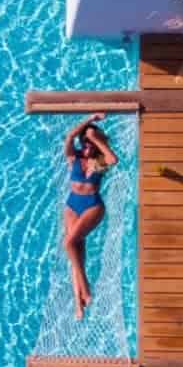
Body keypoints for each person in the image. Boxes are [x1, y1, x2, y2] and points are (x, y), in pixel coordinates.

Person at [62, 112, 117, 318]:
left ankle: (85, 288)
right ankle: (79, 303)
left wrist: (96, 138)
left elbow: (113, 159)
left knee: (68, 243)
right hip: (72, 205)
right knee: (76, 254)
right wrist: (90, 120)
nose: (87, 147)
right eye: (84, 142)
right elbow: (69, 136)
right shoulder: (73, 157)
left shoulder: (99, 161)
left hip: (92, 206)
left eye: (90, 144)